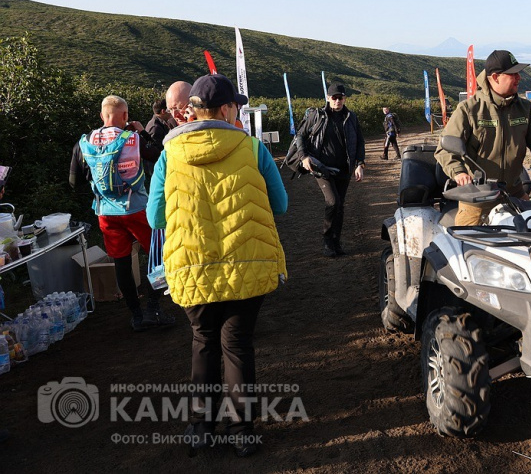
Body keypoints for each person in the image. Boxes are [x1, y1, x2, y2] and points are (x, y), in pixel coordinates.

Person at [146, 73, 288, 457]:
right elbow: (281, 205)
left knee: (203, 342)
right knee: (237, 345)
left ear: (193, 109)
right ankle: (243, 432)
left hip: (191, 267)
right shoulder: (252, 148)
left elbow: (155, 217)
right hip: (248, 264)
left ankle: (200, 427)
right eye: (236, 105)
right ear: (226, 109)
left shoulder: (168, 154)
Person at [70, 95, 174, 331]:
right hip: (137, 209)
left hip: (106, 213)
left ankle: (136, 315)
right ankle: (153, 308)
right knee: (156, 257)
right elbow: (161, 156)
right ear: (125, 116)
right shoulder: (133, 139)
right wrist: (143, 133)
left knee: (122, 263)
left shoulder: (84, 141)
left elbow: (74, 181)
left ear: (101, 116)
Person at [435, 50, 531, 227]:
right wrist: (459, 172)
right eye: (513, 74)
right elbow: (444, 150)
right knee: (463, 245)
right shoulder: (469, 109)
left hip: (514, 193)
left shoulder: (524, 108)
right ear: (496, 77)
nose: (519, 78)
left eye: (518, 73)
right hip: (477, 197)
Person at [298, 83, 366, 256]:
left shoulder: (351, 117)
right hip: (322, 168)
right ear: (328, 98)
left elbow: (359, 141)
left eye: (340, 97)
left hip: (345, 168)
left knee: (340, 205)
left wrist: (359, 164)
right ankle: (327, 241)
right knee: (333, 202)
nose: (337, 101)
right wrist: (304, 156)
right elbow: (300, 135)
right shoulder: (317, 116)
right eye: (334, 97)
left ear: (345, 98)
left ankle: (336, 242)